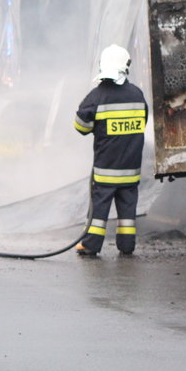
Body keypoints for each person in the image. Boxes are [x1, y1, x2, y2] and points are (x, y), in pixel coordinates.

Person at [74, 44, 148, 256]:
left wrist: (96, 126)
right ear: (126, 66)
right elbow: (143, 120)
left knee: (99, 211)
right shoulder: (137, 94)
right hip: (131, 168)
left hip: (106, 169)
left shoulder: (97, 96)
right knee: (127, 209)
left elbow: (80, 126)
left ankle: (90, 245)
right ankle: (126, 246)